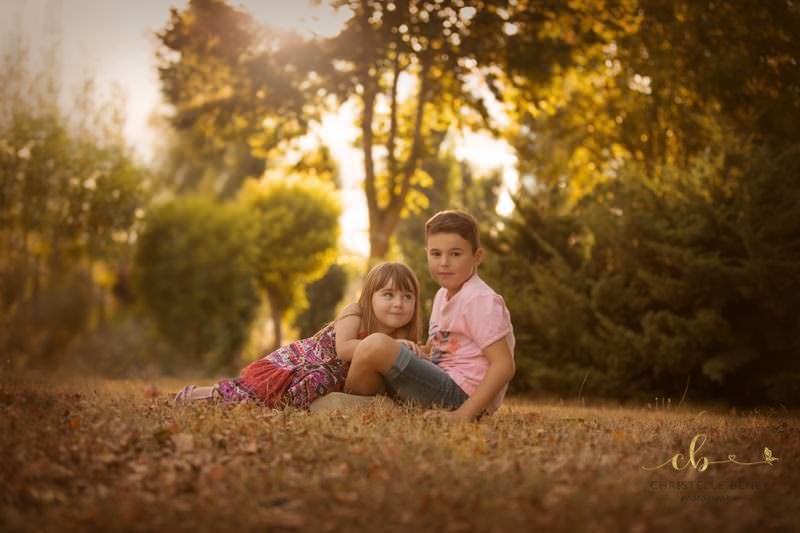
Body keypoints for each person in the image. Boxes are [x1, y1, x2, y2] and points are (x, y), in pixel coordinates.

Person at [174, 261, 422, 409]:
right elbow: (344, 349)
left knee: (280, 400)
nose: (398, 303)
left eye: (407, 297)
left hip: (331, 379)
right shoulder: (356, 312)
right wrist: (391, 346)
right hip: (307, 363)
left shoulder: (402, 332)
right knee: (258, 394)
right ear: (370, 297)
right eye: (388, 295)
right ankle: (202, 394)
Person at [343, 209, 515, 421]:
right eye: (436, 254)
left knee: (376, 345)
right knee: (382, 348)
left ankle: (347, 401)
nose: (444, 262)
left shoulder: (479, 300)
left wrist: (462, 415)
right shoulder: (443, 294)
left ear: (476, 257)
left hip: (462, 396)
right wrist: (414, 350)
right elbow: (439, 349)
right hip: (439, 379)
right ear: (427, 253)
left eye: (455, 254)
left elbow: (504, 365)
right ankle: (366, 402)